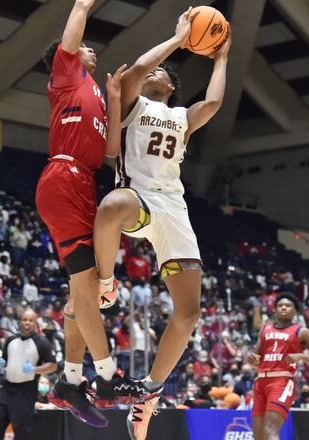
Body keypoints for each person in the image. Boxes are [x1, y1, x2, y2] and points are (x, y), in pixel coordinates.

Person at [90, 9, 232, 439]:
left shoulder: (182, 117)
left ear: (171, 87)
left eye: (165, 74)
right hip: (139, 200)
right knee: (111, 204)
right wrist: (179, 38)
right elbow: (135, 70)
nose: (157, 74)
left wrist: (222, 57)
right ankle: (108, 283)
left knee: (188, 314)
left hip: (174, 209)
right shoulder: (133, 104)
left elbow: (214, 103)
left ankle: (150, 394)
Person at [35, 0, 144, 428]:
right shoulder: (65, 75)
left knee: (84, 293)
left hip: (83, 182)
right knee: (87, 285)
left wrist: (115, 97)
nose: (91, 51)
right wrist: (84, 4)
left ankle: (70, 380)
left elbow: (111, 149)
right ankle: (106, 375)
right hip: (63, 177)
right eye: (85, 48)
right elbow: (77, 17)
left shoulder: (96, 93)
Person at [248, 293, 309, 440]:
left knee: (270, 429)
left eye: (288, 305)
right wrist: (250, 358)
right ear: (275, 309)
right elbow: (255, 356)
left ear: (295, 311)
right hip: (260, 382)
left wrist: (302, 356)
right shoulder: (265, 330)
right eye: (280, 305)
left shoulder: (302, 332)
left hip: (282, 382)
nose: (283, 308)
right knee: (258, 436)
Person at [0, 309, 58, 440]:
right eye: (25, 320)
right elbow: (5, 361)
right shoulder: (10, 340)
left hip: (26, 391)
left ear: (36, 324)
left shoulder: (42, 343)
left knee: (22, 430)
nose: (27, 323)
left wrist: (34, 369)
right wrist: (1, 363)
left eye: (31, 320)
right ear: (20, 322)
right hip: (6, 389)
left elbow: (53, 365)